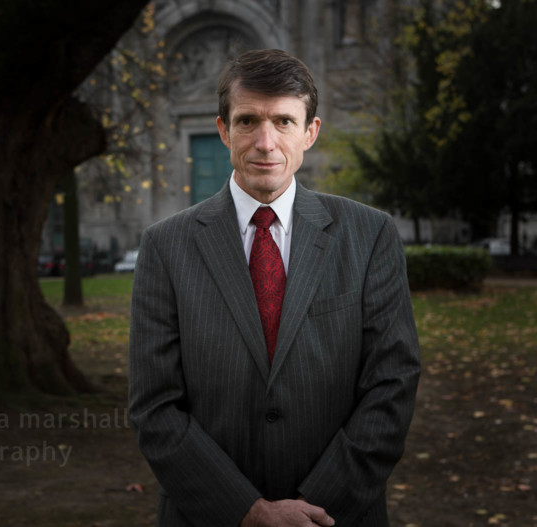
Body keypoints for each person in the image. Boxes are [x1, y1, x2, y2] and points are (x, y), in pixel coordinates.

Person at [128, 49, 421, 527]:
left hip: (336, 516)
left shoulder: (370, 236)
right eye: (248, 121)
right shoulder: (165, 246)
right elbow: (154, 406)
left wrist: (315, 508)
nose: (265, 142)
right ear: (224, 130)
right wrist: (245, 510)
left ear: (311, 132)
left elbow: (393, 385)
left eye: (284, 121)